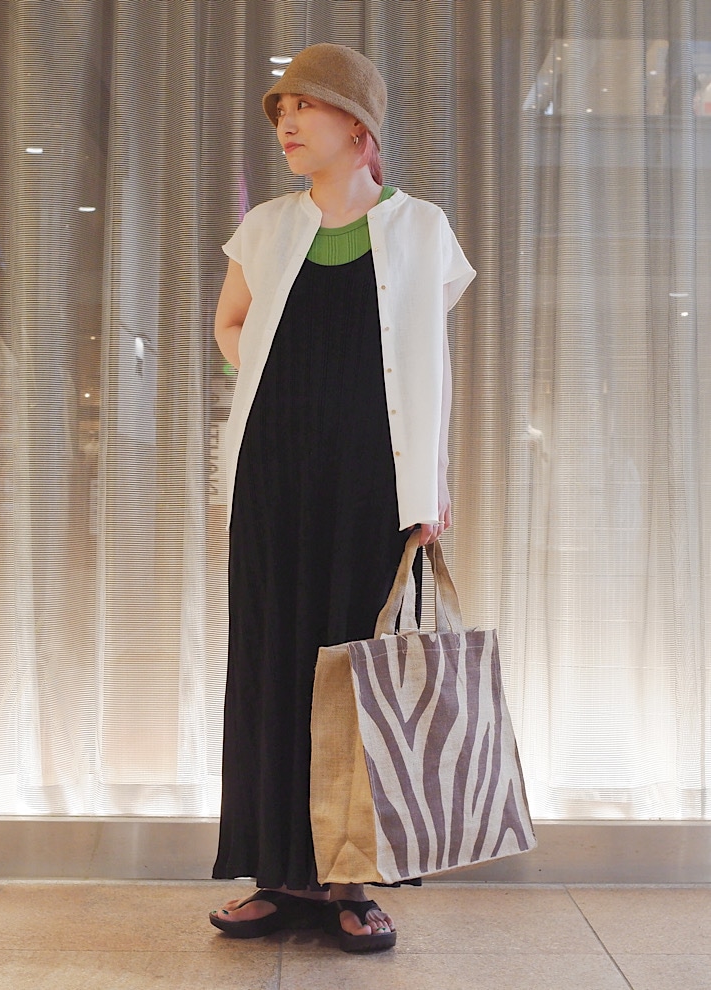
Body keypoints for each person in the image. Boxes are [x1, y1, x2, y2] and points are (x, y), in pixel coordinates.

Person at [209, 43, 475, 953]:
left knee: (358, 672)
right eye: (281, 110)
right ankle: (278, 872)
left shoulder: (422, 228)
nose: (286, 123)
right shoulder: (266, 228)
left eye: (305, 108)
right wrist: (267, 373)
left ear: (358, 127)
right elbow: (230, 326)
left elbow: (430, 367)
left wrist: (432, 482)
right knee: (273, 663)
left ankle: (350, 879)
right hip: (274, 474)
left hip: (372, 481)